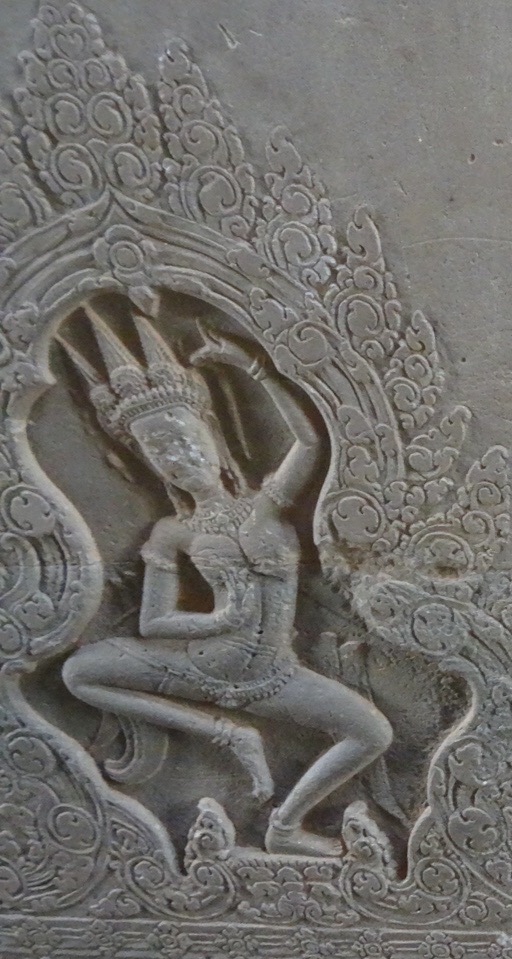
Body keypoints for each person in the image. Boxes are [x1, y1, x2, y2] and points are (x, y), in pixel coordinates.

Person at [57, 300, 392, 858]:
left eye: (183, 436)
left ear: (210, 431)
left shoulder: (266, 505)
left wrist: (252, 366)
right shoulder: (174, 532)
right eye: (158, 449)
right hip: (206, 668)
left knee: (372, 733)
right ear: (146, 462)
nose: (178, 456)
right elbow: (154, 622)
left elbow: (310, 443)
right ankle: (225, 733)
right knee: (78, 673)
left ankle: (285, 825)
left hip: (276, 676)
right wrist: (218, 620)